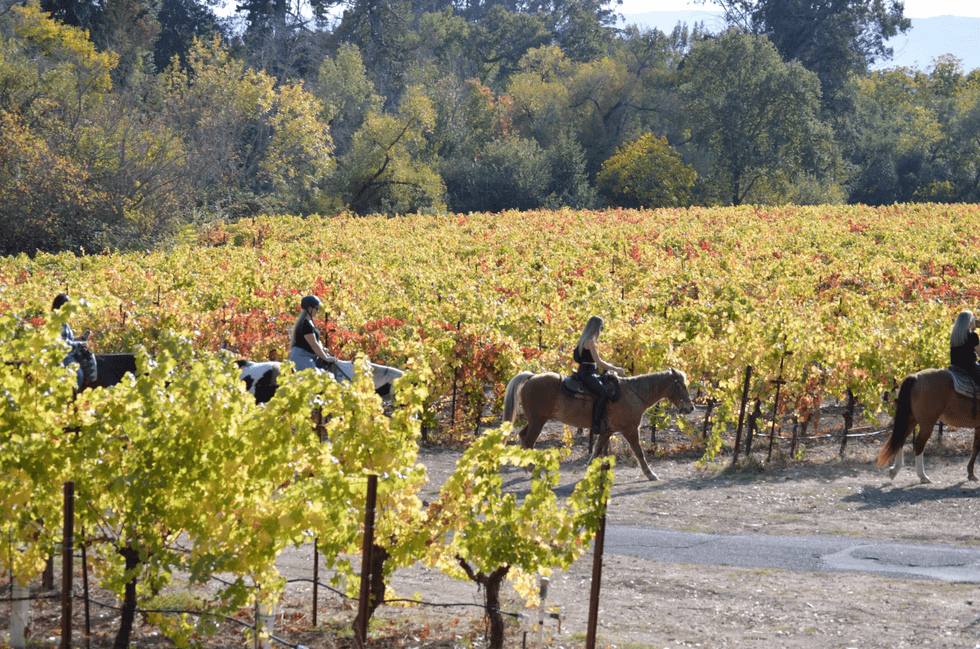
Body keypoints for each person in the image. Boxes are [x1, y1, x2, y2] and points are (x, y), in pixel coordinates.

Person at [574, 315, 625, 437]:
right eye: (601, 328)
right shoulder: (590, 342)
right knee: (603, 393)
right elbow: (599, 362)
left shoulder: (583, 340)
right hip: (587, 374)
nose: (601, 331)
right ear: (597, 328)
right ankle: (596, 426)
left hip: (584, 372)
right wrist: (615, 369)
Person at [52, 293, 98, 389]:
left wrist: (80, 338)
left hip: (68, 354)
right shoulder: (57, 322)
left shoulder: (63, 321)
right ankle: (73, 397)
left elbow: (68, 339)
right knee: (78, 374)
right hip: (62, 356)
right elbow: (64, 344)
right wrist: (81, 344)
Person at [288, 295, 337, 372]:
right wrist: (326, 358)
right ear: (309, 309)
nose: (318, 311)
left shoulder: (310, 322)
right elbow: (314, 344)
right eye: (316, 308)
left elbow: (315, 342)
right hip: (301, 357)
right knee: (314, 377)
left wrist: (322, 349)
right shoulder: (305, 324)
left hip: (310, 356)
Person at [950, 310, 980, 385]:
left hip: (954, 366)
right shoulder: (973, 335)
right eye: (973, 319)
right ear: (970, 321)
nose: (975, 321)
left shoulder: (954, 336)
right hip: (969, 368)